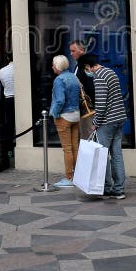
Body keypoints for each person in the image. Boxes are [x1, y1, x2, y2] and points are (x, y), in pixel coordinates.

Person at [79, 53, 127, 199]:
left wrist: (95, 123)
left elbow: (101, 103)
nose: (86, 71)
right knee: (117, 155)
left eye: (85, 68)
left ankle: (105, 187)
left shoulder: (98, 76)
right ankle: (119, 189)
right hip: (119, 118)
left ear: (88, 66)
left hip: (107, 121)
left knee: (103, 156)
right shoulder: (110, 71)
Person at [49, 55, 82, 188]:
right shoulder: (74, 77)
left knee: (67, 149)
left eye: (53, 65)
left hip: (64, 116)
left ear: (57, 67)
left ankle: (69, 177)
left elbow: (60, 100)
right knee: (75, 148)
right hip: (76, 115)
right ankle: (78, 176)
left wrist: (54, 114)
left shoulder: (59, 80)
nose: (52, 67)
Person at [70, 40, 95, 138]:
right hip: (83, 109)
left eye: (73, 51)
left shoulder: (85, 65)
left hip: (88, 109)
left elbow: (90, 86)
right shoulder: (79, 64)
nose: (71, 54)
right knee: (86, 137)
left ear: (81, 50)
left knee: (89, 138)